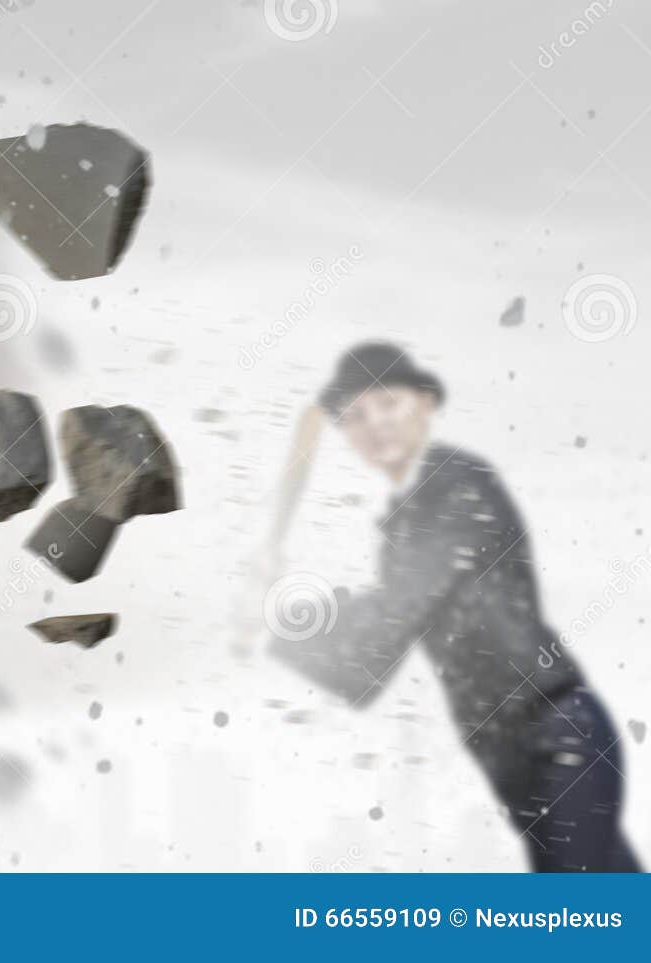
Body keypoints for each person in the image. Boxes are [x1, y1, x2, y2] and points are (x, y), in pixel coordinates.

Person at [262, 341, 639, 873]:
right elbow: (374, 645)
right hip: (514, 756)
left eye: (387, 404)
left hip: (555, 738)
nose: (374, 425)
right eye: (355, 417)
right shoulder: (406, 522)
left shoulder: (456, 488)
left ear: (424, 404)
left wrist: (282, 619)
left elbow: (380, 638)